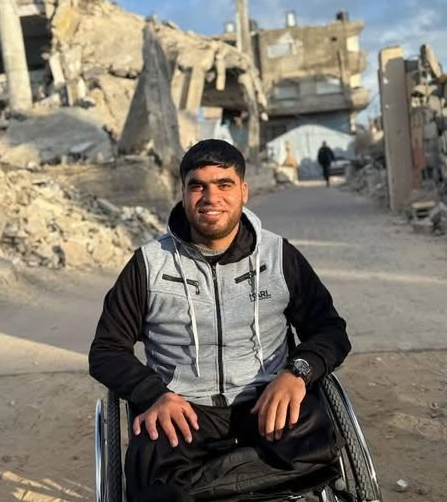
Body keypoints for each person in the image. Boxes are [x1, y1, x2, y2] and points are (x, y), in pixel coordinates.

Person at [89, 139, 351, 502]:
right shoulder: (149, 265)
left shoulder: (278, 256)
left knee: (316, 444)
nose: (211, 197)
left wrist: (297, 373)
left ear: (243, 190)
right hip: (183, 410)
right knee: (149, 472)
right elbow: (106, 350)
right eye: (198, 186)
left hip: (266, 398)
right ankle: (251, 483)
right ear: (183, 194)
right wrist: (154, 395)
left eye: (224, 184)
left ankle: (203, 487)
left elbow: (330, 330)